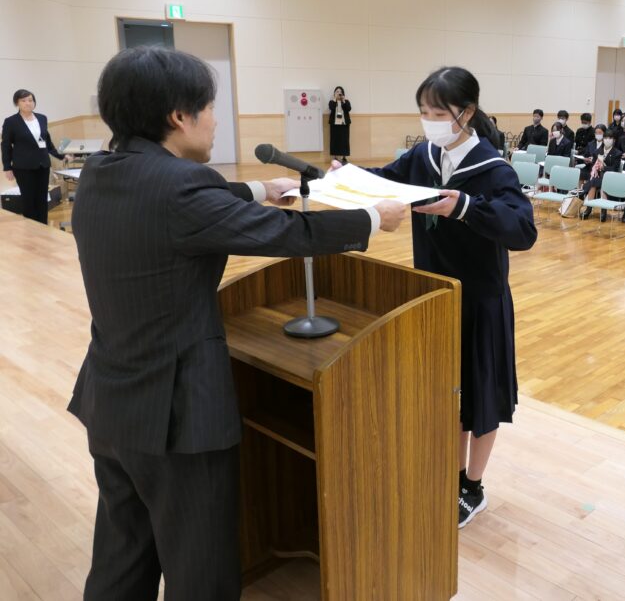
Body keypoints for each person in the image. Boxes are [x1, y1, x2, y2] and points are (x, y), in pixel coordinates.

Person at [68, 46, 406, 601]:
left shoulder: (102, 173)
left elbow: (176, 200)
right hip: (178, 418)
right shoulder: (181, 190)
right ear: (179, 116)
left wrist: (257, 189)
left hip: (112, 402)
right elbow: (287, 236)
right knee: (199, 571)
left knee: (122, 556)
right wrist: (373, 216)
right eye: (210, 107)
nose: (216, 119)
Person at [368, 66, 537, 529]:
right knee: (447, 396)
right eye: (423, 112)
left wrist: (463, 207)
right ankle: (448, 474)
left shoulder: (493, 169)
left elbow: (522, 230)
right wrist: (346, 177)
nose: (429, 121)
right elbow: (386, 180)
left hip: (480, 302)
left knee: (481, 399)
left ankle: (473, 486)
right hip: (434, 297)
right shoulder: (422, 155)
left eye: (438, 112)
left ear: (467, 112)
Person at [1, 89, 70, 224]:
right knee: (29, 200)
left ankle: (43, 226)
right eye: (24, 100)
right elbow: (6, 146)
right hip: (23, 167)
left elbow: (47, 143)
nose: (28, 103)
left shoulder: (42, 118)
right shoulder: (11, 121)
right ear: (17, 103)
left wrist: (61, 156)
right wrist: (7, 167)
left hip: (42, 165)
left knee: (42, 198)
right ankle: (32, 229)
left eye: (31, 100)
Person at [582, 132, 624, 221]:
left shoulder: (617, 153)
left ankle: (597, 209)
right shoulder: (597, 152)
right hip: (598, 177)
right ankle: (591, 209)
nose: (607, 140)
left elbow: (615, 169)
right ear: (603, 140)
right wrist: (596, 166)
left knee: (595, 183)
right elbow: (593, 166)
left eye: (610, 138)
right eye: (606, 138)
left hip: (611, 178)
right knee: (594, 182)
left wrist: (604, 167)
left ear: (613, 140)